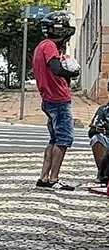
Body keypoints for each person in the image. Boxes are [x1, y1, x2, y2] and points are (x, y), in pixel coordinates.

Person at [32, 10, 80, 191]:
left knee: (53, 139)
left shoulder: (40, 47)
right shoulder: (50, 46)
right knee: (63, 139)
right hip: (58, 99)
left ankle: (43, 177)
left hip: (48, 99)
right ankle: (54, 179)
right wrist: (73, 73)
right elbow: (56, 69)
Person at [89, 99, 109, 186]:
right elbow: (91, 132)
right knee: (96, 139)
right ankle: (103, 173)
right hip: (107, 139)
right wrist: (97, 129)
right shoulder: (103, 110)